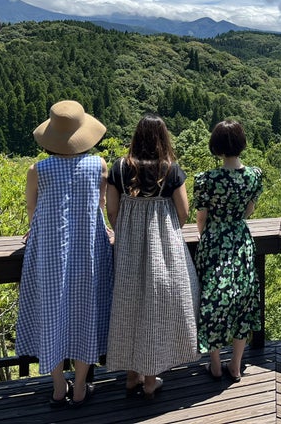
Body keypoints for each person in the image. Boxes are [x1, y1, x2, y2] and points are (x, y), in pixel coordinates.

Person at [15, 100, 113, 408]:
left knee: (50, 312)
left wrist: (37, 229)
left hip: (49, 249)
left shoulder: (37, 170)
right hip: (90, 249)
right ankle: (81, 387)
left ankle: (59, 387)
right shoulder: (99, 166)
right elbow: (100, 205)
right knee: (87, 312)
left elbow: (32, 210)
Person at [105, 114, 200, 400]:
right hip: (164, 247)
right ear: (163, 138)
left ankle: (131, 375)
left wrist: (123, 231)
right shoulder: (171, 169)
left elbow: (112, 210)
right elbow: (183, 212)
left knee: (128, 307)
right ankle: (150, 380)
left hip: (128, 248)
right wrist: (166, 231)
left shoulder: (119, 167)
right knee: (156, 308)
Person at [193, 119, 263, 383]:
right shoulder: (254, 175)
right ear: (242, 144)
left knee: (211, 301)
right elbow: (249, 210)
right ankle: (235, 365)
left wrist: (207, 234)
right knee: (243, 300)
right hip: (241, 241)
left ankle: (214, 364)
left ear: (216, 146)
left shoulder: (206, 179)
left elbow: (201, 217)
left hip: (214, 242)